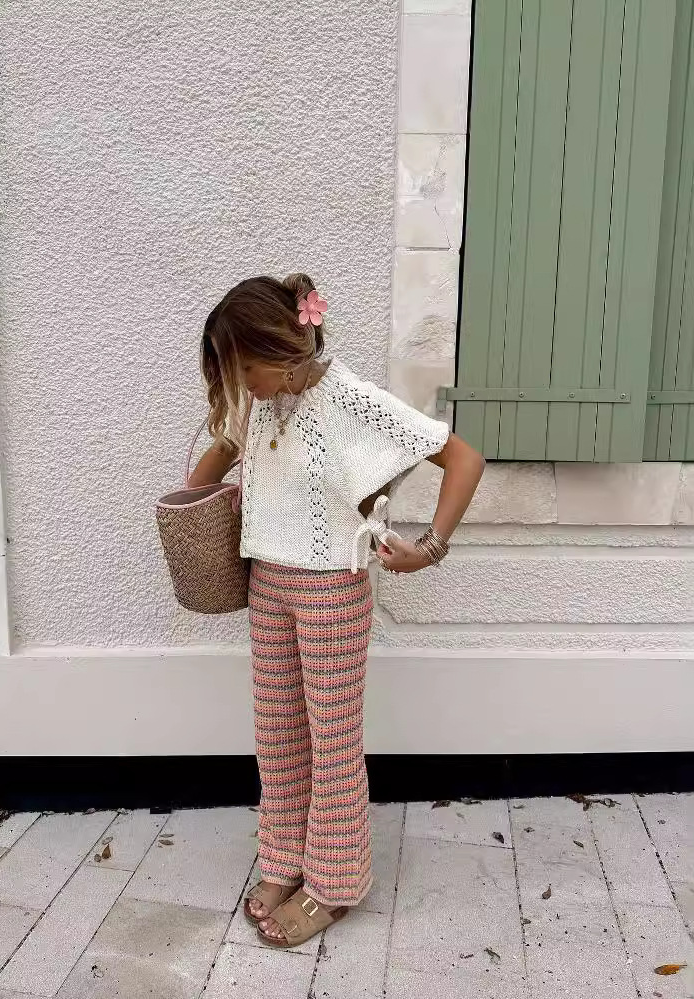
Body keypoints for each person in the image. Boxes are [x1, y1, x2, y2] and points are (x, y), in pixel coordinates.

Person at [188, 273, 486, 948]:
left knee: (331, 741)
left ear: (281, 348)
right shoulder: (264, 404)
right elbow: (216, 461)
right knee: (278, 735)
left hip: (331, 590)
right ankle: (283, 860)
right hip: (267, 584)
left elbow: (463, 457)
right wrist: (195, 495)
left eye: (245, 368)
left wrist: (429, 549)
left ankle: (334, 881)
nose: (242, 384)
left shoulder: (350, 398)